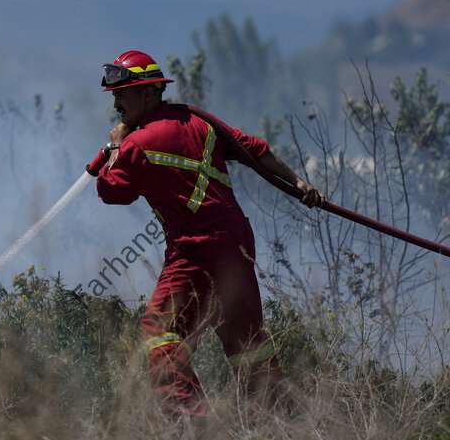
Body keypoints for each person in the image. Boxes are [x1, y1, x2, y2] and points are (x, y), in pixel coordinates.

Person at [91, 49, 322, 417]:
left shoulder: (135, 144)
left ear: (149, 93)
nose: (117, 103)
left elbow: (111, 191)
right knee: (246, 342)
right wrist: (300, 182)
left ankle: (194, 427)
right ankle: (285, 424)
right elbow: (256, 150)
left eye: (123, 93)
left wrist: (116, 143)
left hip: (194, 250)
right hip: (237, 244)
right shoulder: (200, 123)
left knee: (160, 332)